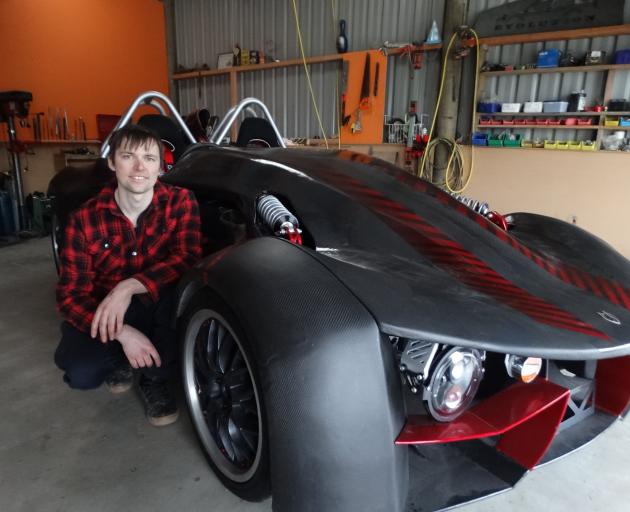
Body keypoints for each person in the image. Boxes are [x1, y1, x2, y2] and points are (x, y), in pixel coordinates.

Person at [54, 124, 202, 426]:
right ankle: (120, 358)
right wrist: (122, 333)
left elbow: (187, 258)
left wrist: (128, 287)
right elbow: (69, 297)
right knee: (81, 372)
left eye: (149, 158)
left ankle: (154, 378)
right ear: (111, 162)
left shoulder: (180, 202)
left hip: (159, 303)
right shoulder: (83, 219)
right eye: (128, 156)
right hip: (106, 312)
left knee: (181, 299)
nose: (139, 167)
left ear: (160, 166)